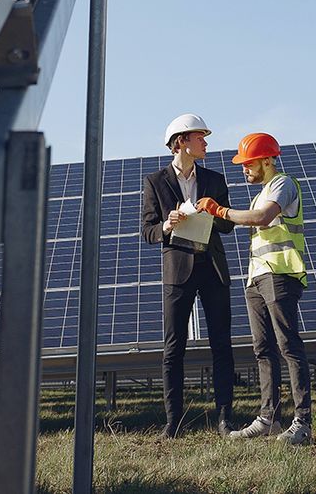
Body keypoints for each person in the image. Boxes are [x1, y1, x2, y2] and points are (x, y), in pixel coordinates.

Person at [200, 131, 312, 445]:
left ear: (266, 160)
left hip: (279, 274)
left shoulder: (282, 184)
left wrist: (220, 211)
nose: (244, 169)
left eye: (248, 163)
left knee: (289, 347)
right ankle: (268, 419)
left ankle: (302, 423)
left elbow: (262, 219)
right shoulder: (262, 190)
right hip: (257, 279)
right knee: (263, 350)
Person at [140, 113, 237, 438]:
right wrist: (167, 225)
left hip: (212, 268)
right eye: (200, 138)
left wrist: (213, 211)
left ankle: (225, 419)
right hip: (178, 271)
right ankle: (174, 422)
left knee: (221, 344)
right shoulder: (155, 182)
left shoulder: (215, 180)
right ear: (182, 142)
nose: (206, 143)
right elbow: (148, 230)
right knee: (173, 348)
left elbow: (228, 225)